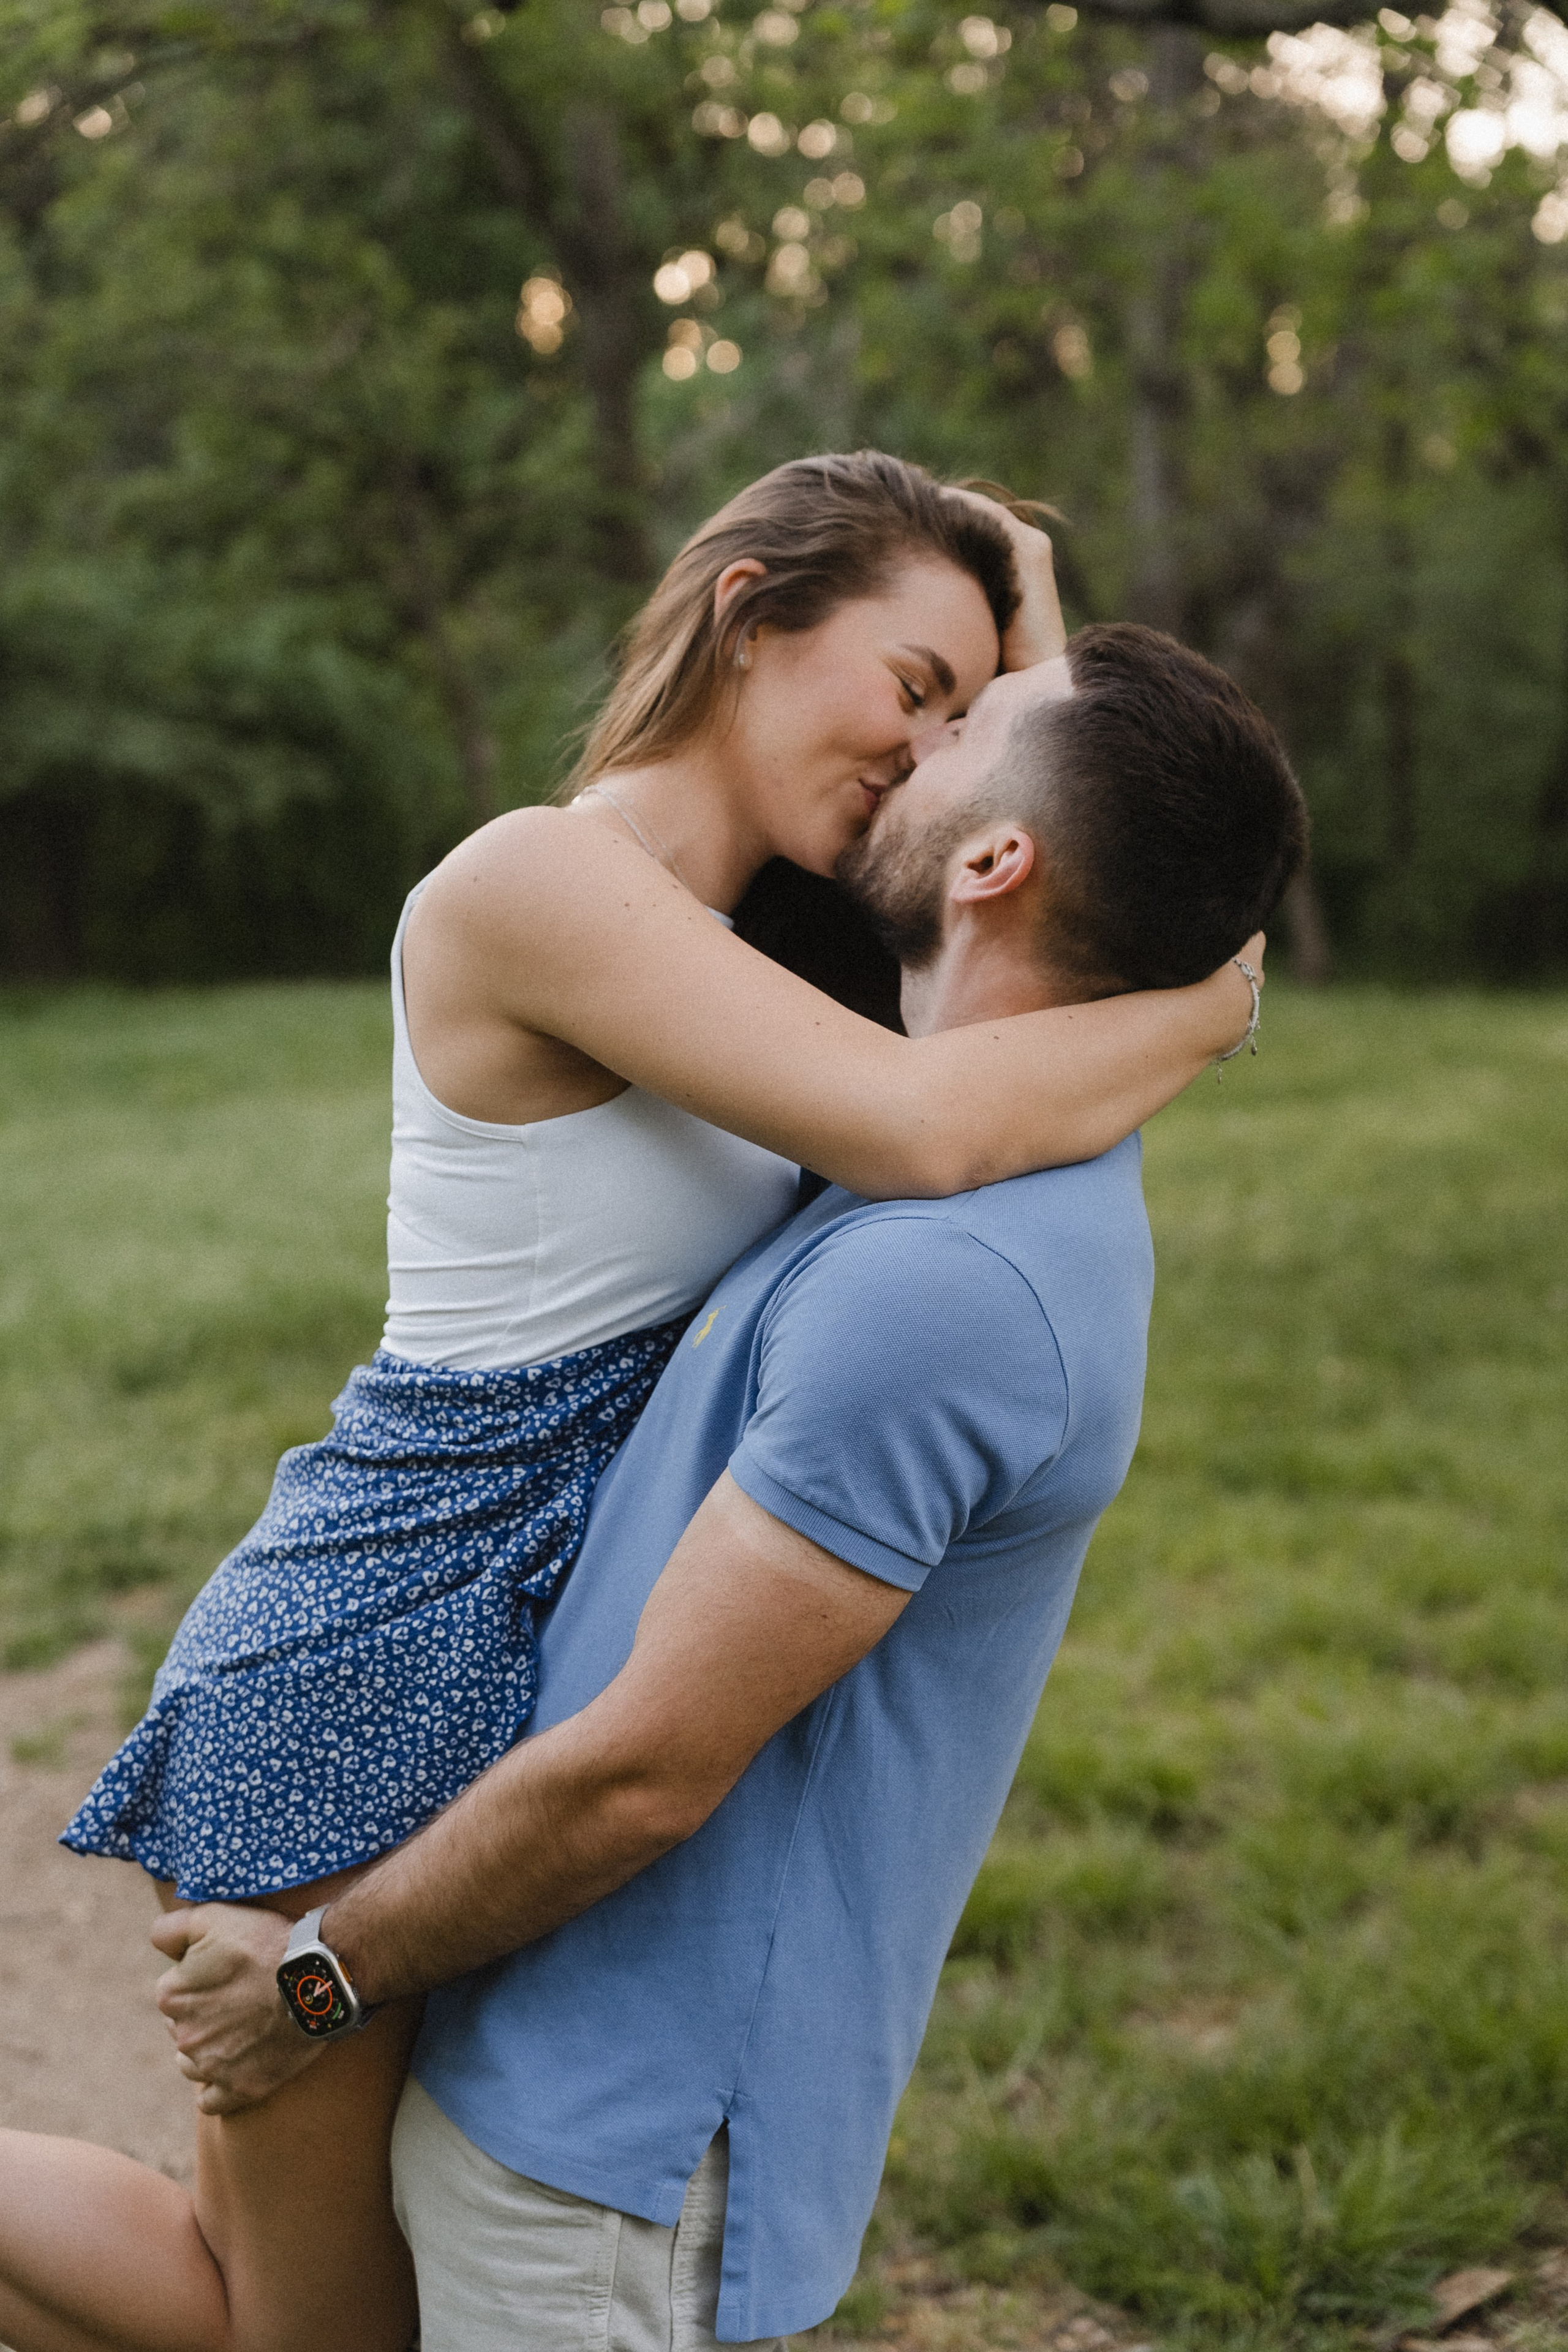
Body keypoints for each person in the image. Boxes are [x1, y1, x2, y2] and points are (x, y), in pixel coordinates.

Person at [0, 459, 1260, 2352]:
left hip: (510, 1637)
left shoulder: (780, 931)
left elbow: (1041, 887)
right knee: (299, 2328)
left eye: (959, 715)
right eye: (913, 689)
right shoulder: (542, 884)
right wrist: (1213, 1000)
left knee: (326, 2292)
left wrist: (1040, 649)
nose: (928, 753)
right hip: (383, 1639)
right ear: (755, 614)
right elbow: (936, 1126)